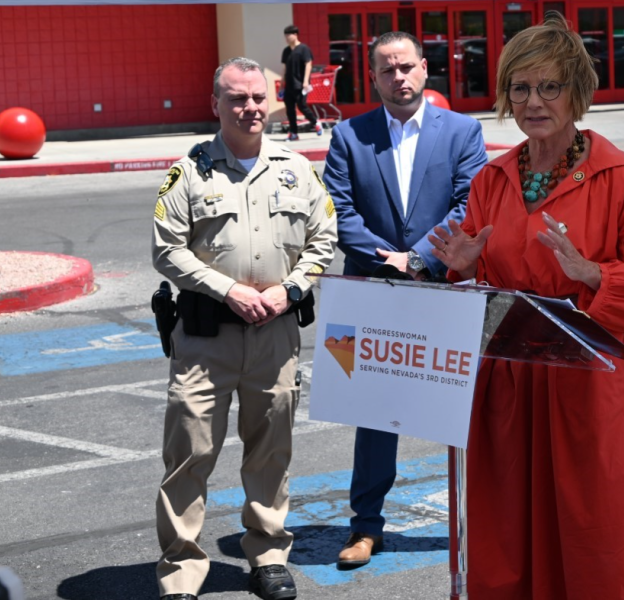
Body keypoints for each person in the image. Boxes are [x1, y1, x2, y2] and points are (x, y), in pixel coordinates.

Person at [429, 13, 624, 600]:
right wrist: (463, 266)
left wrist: (592, 274)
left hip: (589, 384)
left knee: (600, 531)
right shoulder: (491, 180)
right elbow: (486, 286)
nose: (533, 101)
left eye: (549, 86)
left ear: (577, 92)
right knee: (509, 527)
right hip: (511, 383)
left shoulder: (623, 178)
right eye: (520, 87)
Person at [151, 57, 338, 600]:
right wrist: (228, 289)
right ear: (216, 104)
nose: (249, 108)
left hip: (276, 334)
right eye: (237, 98)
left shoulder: (296, 169)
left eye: (258, 98)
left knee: (270, 450)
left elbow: (323, 241)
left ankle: (268, 555)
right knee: (188, 453)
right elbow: (167, 250)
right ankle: (181, 571)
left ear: (271, 101)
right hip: (206, 337)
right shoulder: (187, 171)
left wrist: (292, 288)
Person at [321, 30, 487, 569]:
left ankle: (479, 522)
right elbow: (339, 212)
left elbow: (469, 202)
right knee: (373, 415)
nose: (399, 77)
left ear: (424, 69)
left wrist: (417, 258)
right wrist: (388, 259)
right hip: (373, 292)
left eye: (407, 66)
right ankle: (366, 526)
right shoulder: (349, 135)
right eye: (387, 69)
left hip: (441, 287)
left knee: (459, 409)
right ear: (373, 77)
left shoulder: (463, 130)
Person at [281, 25, 320, 141]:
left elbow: (308, 64)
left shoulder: (304, 49)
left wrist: (305, 81)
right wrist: (282, 83)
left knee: (302, 106)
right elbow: (284, 68)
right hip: (289, 84)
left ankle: (315, 122)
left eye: (289, 35)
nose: (287, 38)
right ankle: (293, 133)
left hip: (300, 84)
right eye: (285, 36)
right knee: (289, 109)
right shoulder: (286, 51)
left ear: (296, 35)